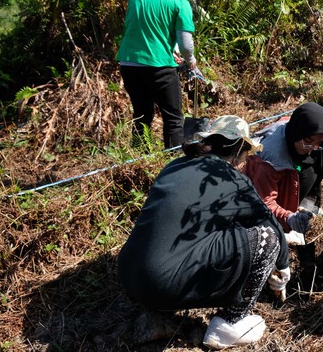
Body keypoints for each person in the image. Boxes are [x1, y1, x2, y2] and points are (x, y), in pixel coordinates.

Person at [117, 115, 291, 349]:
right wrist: (283, 263)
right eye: (245, 154)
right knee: (265, 238)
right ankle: (231, 323)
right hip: (164, 285)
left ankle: (159, 308)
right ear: (240, 148)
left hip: (129, 277)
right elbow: (270, 225)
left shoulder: (174, 166)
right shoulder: (232, 178)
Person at [116, 0, 200, 149]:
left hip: (128, 64)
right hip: (159, 66)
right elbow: (186, 44)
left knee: (142, 113)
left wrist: (173, 51)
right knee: (173, 117)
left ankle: (138, 156)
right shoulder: (180, 1)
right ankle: (173, 164)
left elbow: (147, 30)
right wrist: (191, 61)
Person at [243, 103, 323, 235]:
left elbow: (316, 160)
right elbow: (264, 202)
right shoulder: (270, 160)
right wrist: (288, 218)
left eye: (318, 143)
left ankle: (304, 204)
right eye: (308, 141)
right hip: (267, 198)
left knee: (316, 159)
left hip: (290, 180)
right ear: (297, 132)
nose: (312, 147)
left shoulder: (306, 136)